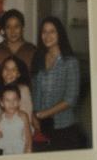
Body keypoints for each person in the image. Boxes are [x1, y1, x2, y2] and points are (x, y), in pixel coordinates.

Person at [31, 16, 84, 151]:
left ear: (60, 34)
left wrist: (44, 114)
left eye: (52, 31)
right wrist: (34, 114)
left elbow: (70, 99)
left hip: (64, 127)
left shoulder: (70, 62)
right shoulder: (38, 58)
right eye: (44, 32)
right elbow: (35, 91)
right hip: (41, 126)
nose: (47, 36)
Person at [0, 8, 37, 90]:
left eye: (16, 26)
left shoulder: (32, 50)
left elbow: (35, 82)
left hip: (28, 98)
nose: (12, 31)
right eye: (8, 27)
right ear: (3, 30)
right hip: (3, 98)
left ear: (23, 28)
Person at [0, 55, 36, 138]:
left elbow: (27, 119)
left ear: (19, 74)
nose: (9, 72)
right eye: (6, 68)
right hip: (2, 130)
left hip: (20, 132)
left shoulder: (23, 89)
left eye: (13, 70)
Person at [0, 83, 32, 155]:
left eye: (14, 100)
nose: (11, 104)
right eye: (7, 100)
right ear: (2, 103)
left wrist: (27, 152)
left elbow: (28, 138)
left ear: (19, 102)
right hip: (4, 152)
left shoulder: (23, 116)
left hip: (20, 152)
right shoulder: (0, 117)